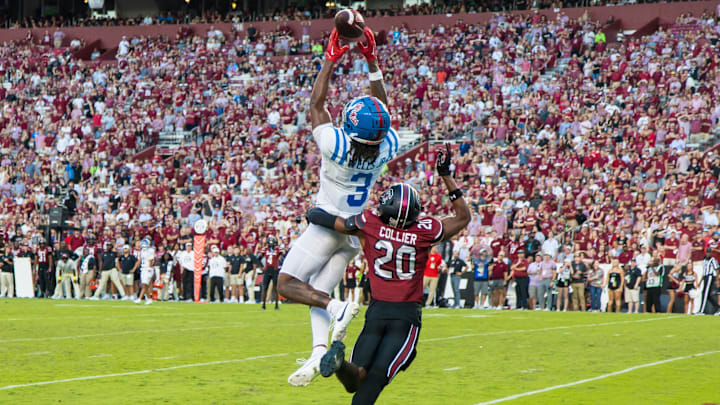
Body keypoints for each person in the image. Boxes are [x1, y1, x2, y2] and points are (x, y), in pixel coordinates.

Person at [276, 27, 400, 386]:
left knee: (287, 283)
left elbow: (316, 105)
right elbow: (383, 112)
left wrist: (331, 58)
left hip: (327, 225)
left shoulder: (336, 145)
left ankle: (337, 309)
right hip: (353, 231)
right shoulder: (387, 145)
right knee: (317, 291)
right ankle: (317, 354)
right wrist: (371, 61)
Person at [307, 144, 470, 404]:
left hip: (376, 312)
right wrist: (445, 175)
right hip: (405, 319)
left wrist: (314, 215)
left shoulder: (370, 223)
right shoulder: (424, 231)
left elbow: (332, 221)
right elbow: (463, 217)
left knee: (356, 379)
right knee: (367, 390)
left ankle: (339, 364)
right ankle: (339, 365)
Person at [260, 236, 283, 310]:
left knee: (276, 288)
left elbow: (282, 254)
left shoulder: (278, 249)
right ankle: (263, 304)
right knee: (265, 288)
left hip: (275, 269)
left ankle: (276, 304)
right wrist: (261, 267)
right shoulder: (265, 249)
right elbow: (259, 257)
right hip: (267, 269)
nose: (271, 244)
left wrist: (279, 261)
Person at [698, 247, 720, 315]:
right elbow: (704, 272)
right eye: (707, 252)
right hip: (705, 277)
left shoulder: (713, 260)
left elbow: (716, 270)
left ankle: (702, 311)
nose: (708, 254)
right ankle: (718, 308)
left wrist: (717, 280)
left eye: (709, 252)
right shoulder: (704, 260)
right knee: (708, 296)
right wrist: (700, 281)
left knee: (704, 294)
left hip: (710, 277)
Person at [135, 239, 155, 305]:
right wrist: (136, 266)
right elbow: (140, 259)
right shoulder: (142, 251)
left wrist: (149, 268)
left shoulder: (151, 251)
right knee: (144, 285)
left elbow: (151, 260)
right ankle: (149, 299)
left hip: (148, 269)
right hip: (143, 269)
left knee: (144, 285)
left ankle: (139, 299)